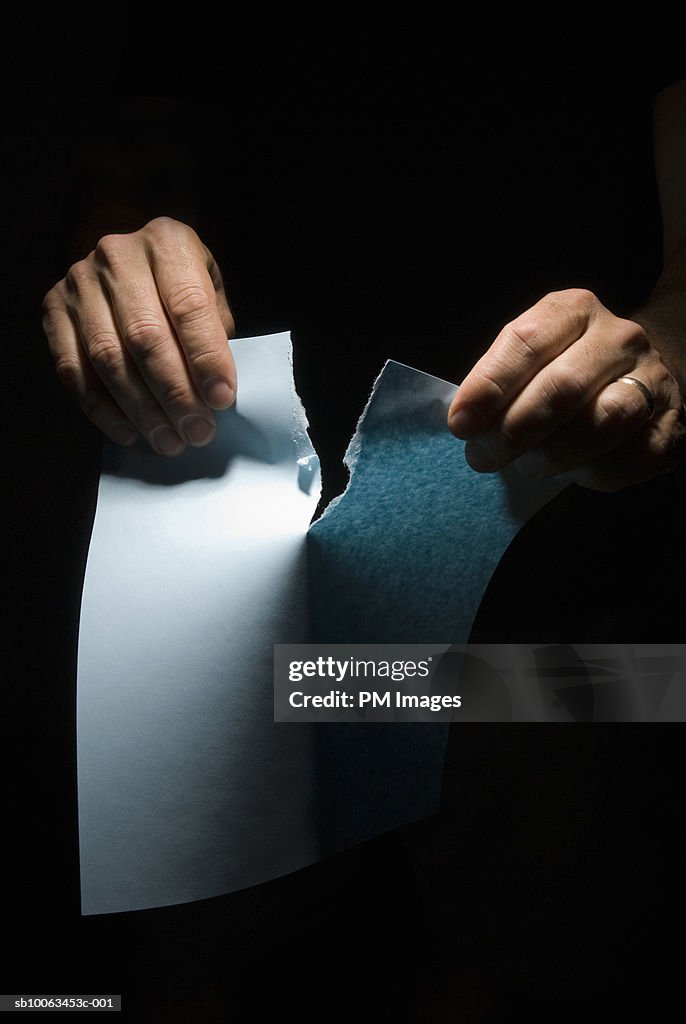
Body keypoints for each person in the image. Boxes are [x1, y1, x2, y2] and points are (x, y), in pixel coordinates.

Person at [32, 71, 686, 1019]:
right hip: (247, 611)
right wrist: (119, 254)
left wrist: (666, 347)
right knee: (224, 975)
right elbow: (140, 150)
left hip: (576, 616)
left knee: (570, 963)